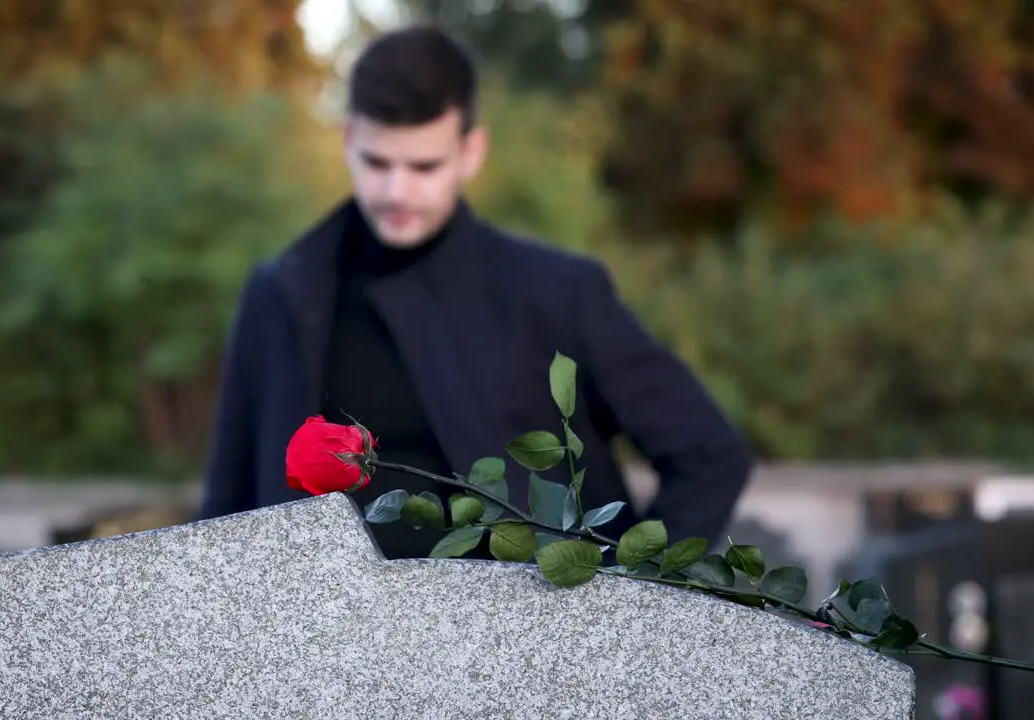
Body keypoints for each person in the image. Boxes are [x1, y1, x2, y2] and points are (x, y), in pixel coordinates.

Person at [198, 24, 753, 559]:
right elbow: (227, 507)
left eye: (424, 166)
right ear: (348, 140)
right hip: (318, 644)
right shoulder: (281, 293)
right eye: (377, 162)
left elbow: (709, 456)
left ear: (470, 151)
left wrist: (628, 602)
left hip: (526, 645)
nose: (396, 190)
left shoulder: (558, 292)